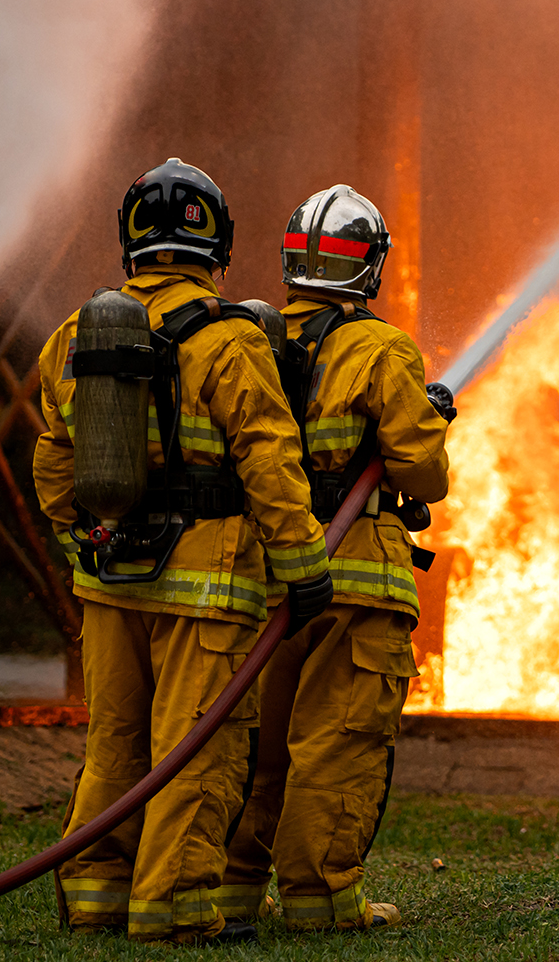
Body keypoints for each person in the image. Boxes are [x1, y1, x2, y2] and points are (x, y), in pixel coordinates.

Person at [32, 158, 333, 946]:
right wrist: (303, 564)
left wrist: (78, 536)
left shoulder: (74, 334)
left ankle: (96, 890)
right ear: (217, 246)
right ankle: (176, 904)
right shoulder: (231, 339)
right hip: (204, 581)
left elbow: (54, 457)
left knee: (114, 741)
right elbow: (269, 457)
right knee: (195, 743)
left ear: (129, 243)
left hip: (110, 576)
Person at [218, 183, 453, 932]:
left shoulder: (248, 341)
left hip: (275, 579)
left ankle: (231, 889)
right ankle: (322, 899)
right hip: (360, 588)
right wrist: (430, 419)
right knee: (336, 742)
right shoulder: (380, 348)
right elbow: (422, 474)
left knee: (260, 743)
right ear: (370, 268)